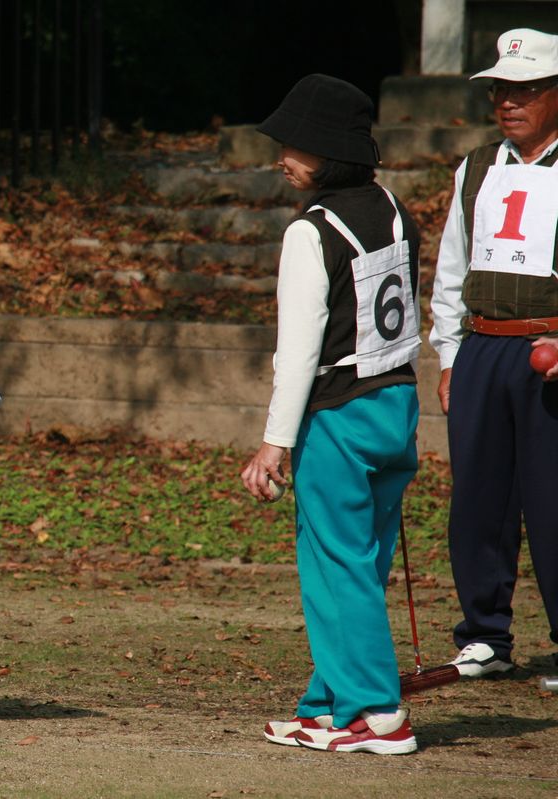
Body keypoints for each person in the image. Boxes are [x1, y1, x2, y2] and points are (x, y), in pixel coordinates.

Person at [240, 74, 423, 755]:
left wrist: (273, 444)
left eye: (296, 144)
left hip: (339, 415)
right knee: (360, 564)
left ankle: (377, 715)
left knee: (334, 565)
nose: (282, 155)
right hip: (396, 403)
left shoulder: (310, 233)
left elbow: (299, 350)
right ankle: (327, 702)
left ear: (328, 152)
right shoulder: (392, 207)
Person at [429, 28, 558, 679]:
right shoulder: (476, 167)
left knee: (553, 499)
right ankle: (485, 633)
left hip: (550, 351)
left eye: (526, 90)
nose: (509, 102)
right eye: (501, 91)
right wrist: (450, 352)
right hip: (484, 347)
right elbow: (452, 266)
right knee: (478, 497)